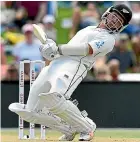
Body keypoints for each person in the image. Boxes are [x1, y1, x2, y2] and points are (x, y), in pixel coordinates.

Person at [9, 4, 132, 141]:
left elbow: (86, 49)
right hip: (56, 64)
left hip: (75, 66)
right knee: (30, 112)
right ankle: (68, 130)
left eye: (119, 21)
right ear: (107, 13)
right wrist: (51, 51)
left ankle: (87, 127)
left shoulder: (109, 40)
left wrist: (58, 49)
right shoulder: (88, 29)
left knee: (55, 98)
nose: (114, 20)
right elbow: (69, 48)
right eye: (114, 16)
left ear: (121, 27)